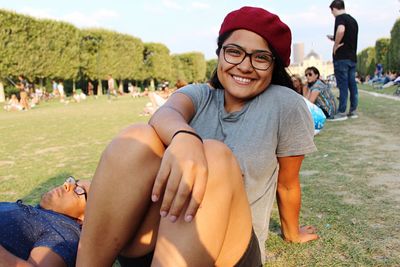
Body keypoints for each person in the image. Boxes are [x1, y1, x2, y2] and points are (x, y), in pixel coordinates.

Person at [77, 6, 318, 267]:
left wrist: (291, 233)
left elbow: (288, 183)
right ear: (219, 55)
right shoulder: (200, 94)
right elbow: (165, 113)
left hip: (227, 248)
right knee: (136, 137)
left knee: (214, 155)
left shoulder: (286, 105)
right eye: (234, 52)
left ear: (274, 66)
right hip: (159, 240)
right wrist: (185, 138)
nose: (245, 66)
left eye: (260, 57)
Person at [0, 176, 91, 267]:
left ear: (83, 220)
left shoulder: (63, 233)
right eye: (73, 182)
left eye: (78, 190)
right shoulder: (43, 214)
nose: (66, 185)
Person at [328, 0, 359, 120]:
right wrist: (335, 38)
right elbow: (347, 36)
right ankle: (353, 111)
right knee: (352, 85)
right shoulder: (353, 20)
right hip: (352, 57)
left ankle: (341, 112)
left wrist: (335, 45)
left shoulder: (340, 18)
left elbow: (341, 30)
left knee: (343, 85)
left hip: (342, 58)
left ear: (334, 9)